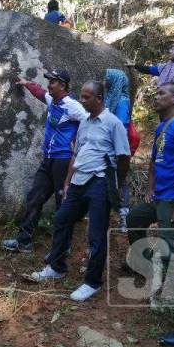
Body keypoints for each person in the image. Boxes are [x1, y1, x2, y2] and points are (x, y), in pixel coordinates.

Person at [29, 81, 131, 302]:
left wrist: (115, 184)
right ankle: (56, 266)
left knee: (95, 233)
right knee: (62, 219)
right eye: (81, 97)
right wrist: (67, 183)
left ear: (99, 98)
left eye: (86, 97)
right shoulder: (84, 121)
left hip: (100, 181)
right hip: (78, 180)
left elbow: (124, 157)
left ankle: (92, 282)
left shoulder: (113, 123)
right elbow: (76, 153)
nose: (82, 101)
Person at [126, 83, 174, 347]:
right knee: (135, 218)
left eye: (161, 94)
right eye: (156, 93)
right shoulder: (161, 127)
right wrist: (150, 188)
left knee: (173, 259)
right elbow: (155, 161)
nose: (155, 97)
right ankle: (146, 263)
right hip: (161, 196)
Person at [2, 69, 88, 253]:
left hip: (63, 161)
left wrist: (80, 146)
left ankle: (63, 247)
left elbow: (88, 122)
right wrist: (26, 83)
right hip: (48, 159)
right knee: (34, 197)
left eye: (53, 82)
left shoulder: (72, 106)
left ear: (63, 86)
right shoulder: (52, 99)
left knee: (62, 203)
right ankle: (23, 241)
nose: (49, 84)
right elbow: (40, 92)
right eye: (49, 81)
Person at [104, 69, 132, 231]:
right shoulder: (110, 96)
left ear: (115, 80)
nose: (104, 81)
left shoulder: (121, 100)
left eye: (107, 78)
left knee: (120, 178)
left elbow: (120, 125)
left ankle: (124, 216)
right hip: (107, 145)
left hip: (118, 146)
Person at [129, 43, 174, 114]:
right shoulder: (165, 67)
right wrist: (135, 65)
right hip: (164, 104)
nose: (170, 51)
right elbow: (150, 69)